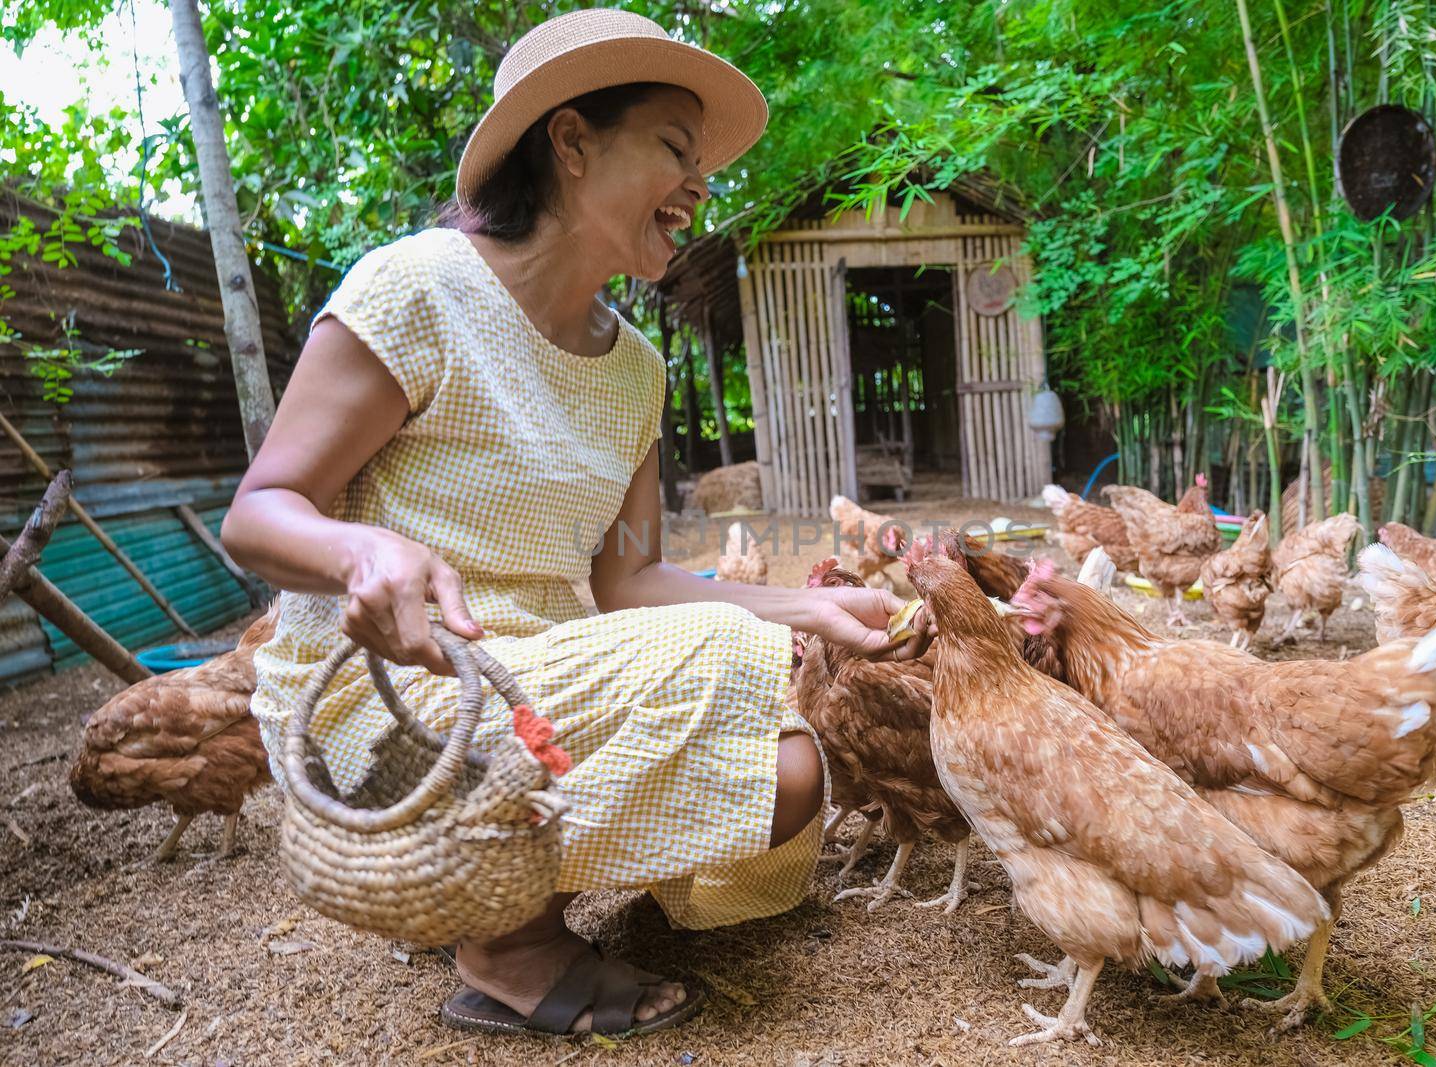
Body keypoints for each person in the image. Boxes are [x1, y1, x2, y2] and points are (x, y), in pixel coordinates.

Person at [223, 8, 930, 1041]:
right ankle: (502, 943)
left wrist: (818, 610)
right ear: (570, 141)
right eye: (673, 150)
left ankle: (480, 874)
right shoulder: (419, 289)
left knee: (794, 772)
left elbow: (628, 583)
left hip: (551, 675)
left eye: (703, 162)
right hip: (410, 692)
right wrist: (362, 547)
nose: (700, 184)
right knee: (727, 659)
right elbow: (256, 514)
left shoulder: (636, 372)